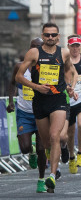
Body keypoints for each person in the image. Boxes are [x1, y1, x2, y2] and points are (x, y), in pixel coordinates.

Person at [15, 23, 77, 193]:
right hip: (40, 101)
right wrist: (36, 87)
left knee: (54, 134)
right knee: (46, 141)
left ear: (58, 36)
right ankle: (52, 164)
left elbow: (68, 71)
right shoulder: (34, 53)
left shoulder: (63, 52)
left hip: (57, 99)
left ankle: (52, 174)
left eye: (53, 35)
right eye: (47, 35)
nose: (50, 38)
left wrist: (69, 88)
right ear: (43, 36)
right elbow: (19, 76)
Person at [8, 38, 48, 193]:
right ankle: (30, 151)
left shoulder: (46, 68)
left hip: (41, 114)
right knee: (24, 148)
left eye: (38, 47)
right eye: (32, 47)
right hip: (24, 113)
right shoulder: (20, 66)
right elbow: (12, 83)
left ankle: (41, 180)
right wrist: (11, 101)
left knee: (41, 148)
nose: (35, 50)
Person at [66, 35, 81, 174]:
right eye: (72, 45)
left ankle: (80, 152)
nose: (75, 48)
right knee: (70, 132)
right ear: (69, 46)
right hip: (68, 100)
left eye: (77, 45)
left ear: (80, 46)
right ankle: (71, 156)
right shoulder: (64, 59)